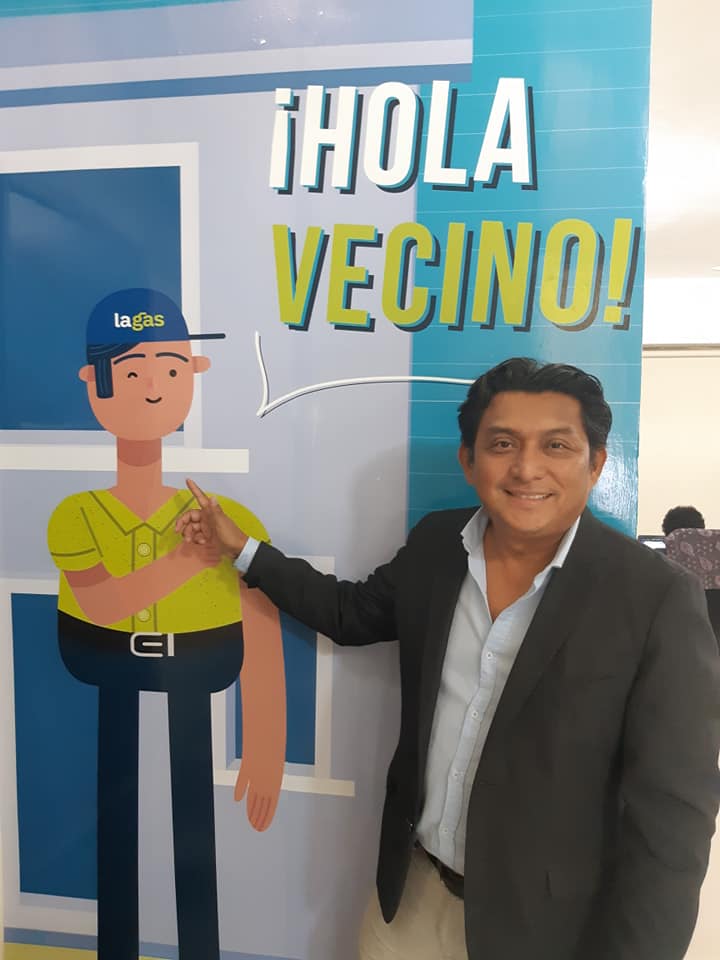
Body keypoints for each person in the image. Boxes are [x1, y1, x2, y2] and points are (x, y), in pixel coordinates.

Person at [178, 357, 720, 960]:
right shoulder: (438, 544)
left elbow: (673, 820)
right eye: (503, 444)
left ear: (595, 464)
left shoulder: (655, 598)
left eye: (556, 445)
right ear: (469, 460)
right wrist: (244, 551)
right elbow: (351, 613)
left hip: (545, 928)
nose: (527, 467)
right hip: (412, 898)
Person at [47, 288, 286, 960]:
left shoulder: (232, 519)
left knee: (194, 837)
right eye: (131, 372)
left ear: (194, 376)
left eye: (173, 369)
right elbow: (103, 606)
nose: (154, 388)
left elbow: (260, 629)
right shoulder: (77, 515)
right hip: (107, 670)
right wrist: (188, 559)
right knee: (114, 826)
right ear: (93, 383)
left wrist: (265, 741)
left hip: (199, 672)